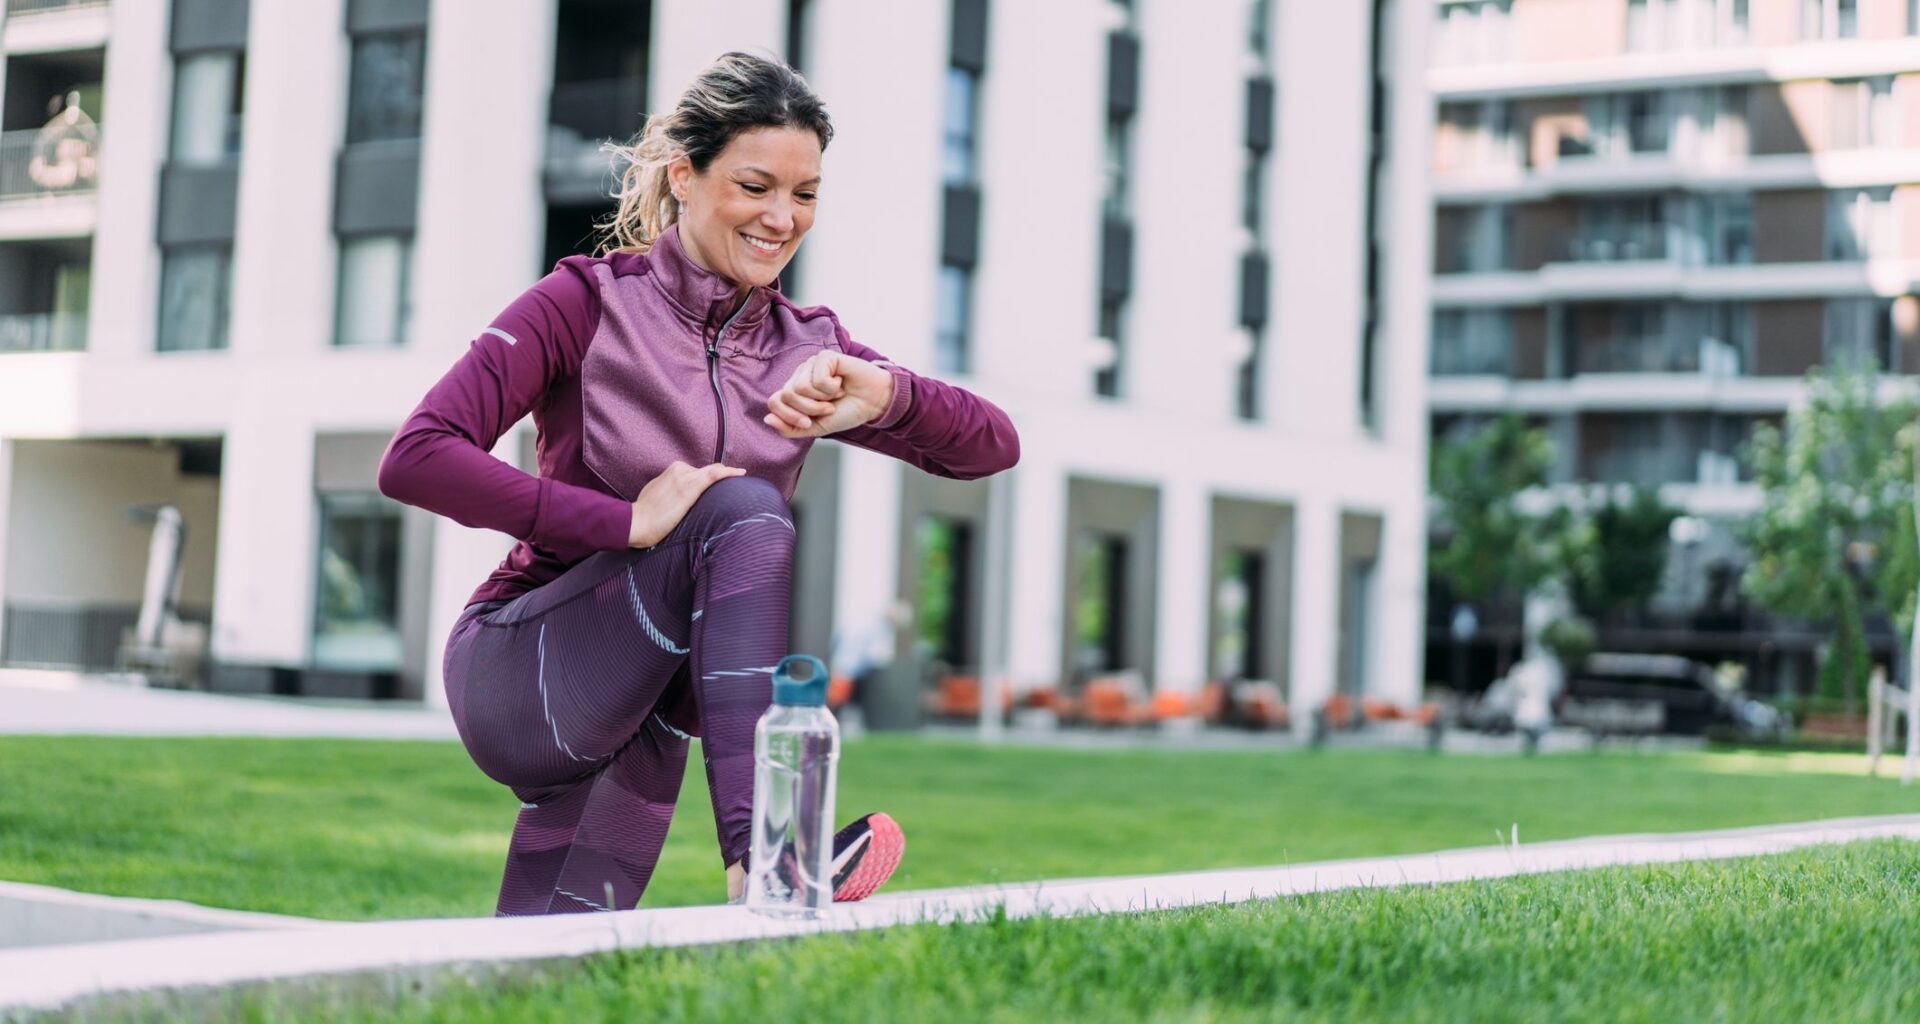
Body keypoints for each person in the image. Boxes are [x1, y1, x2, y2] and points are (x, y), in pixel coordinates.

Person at [377, 52, 1020, 916]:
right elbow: (417, 453)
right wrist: (622, 522)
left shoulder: (811, 350)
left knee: (549, 963)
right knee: (745, 511)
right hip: (524, 672)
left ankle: (737, 879)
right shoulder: (584, 304)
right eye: (756, 185)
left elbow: (994, 448)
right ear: (685, 175)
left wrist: (892, 394)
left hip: (650, 713)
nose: (782, 218)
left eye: (806, 194)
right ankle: (772, 855)